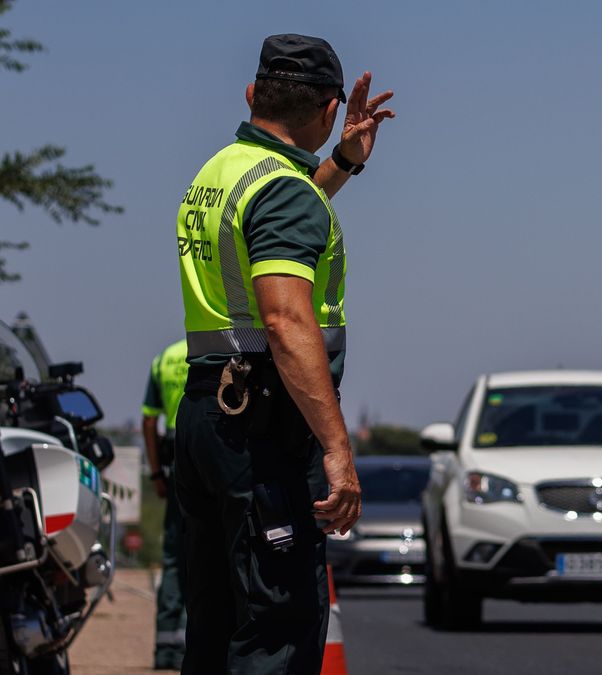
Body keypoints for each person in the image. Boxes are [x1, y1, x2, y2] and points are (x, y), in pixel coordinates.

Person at [173, 33, 393, 674]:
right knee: (277, 629)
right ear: (329, 112)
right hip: (263, 430)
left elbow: (282, 213)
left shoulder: (222, 171)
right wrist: (337, 449)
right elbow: (286, 319)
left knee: (214, 625)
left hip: (207, 417)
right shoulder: (285, 192)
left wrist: (344, 161)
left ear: (252, 95)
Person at [141, 338, 189, 670]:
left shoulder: (164, 359)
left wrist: (156, 472)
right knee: (205, 553)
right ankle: (193, 645)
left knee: (173, 557)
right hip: (206, 454)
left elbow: (148, 422)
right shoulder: (217, 350)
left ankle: (164, 649)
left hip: (173, 462)